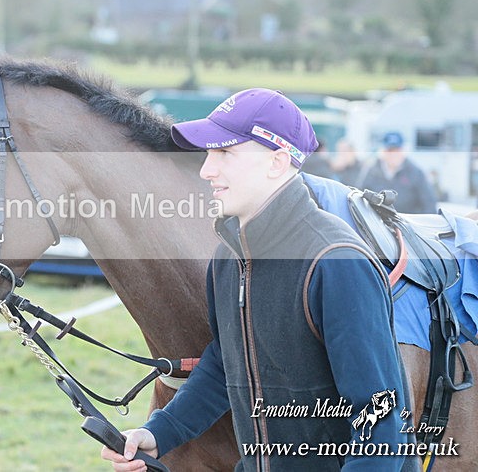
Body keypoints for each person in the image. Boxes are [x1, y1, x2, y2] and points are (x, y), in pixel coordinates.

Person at [101, 89, 417, 471]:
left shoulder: (337, 263)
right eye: (208, 154)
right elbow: (225, 362)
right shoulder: (228, 259)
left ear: (277, 162)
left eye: (224, 153)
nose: (206, 170)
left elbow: (382, 425)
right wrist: (159, 433)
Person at [357, 132, 437, 214]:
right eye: (390, 150)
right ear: (382, 152)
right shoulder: (371, 171)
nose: (393, 155)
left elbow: (429, 203)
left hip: (407, 222)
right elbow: (360, 196)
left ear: (403, 151)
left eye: (397, 150)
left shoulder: (415, 173)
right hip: (376, 222)